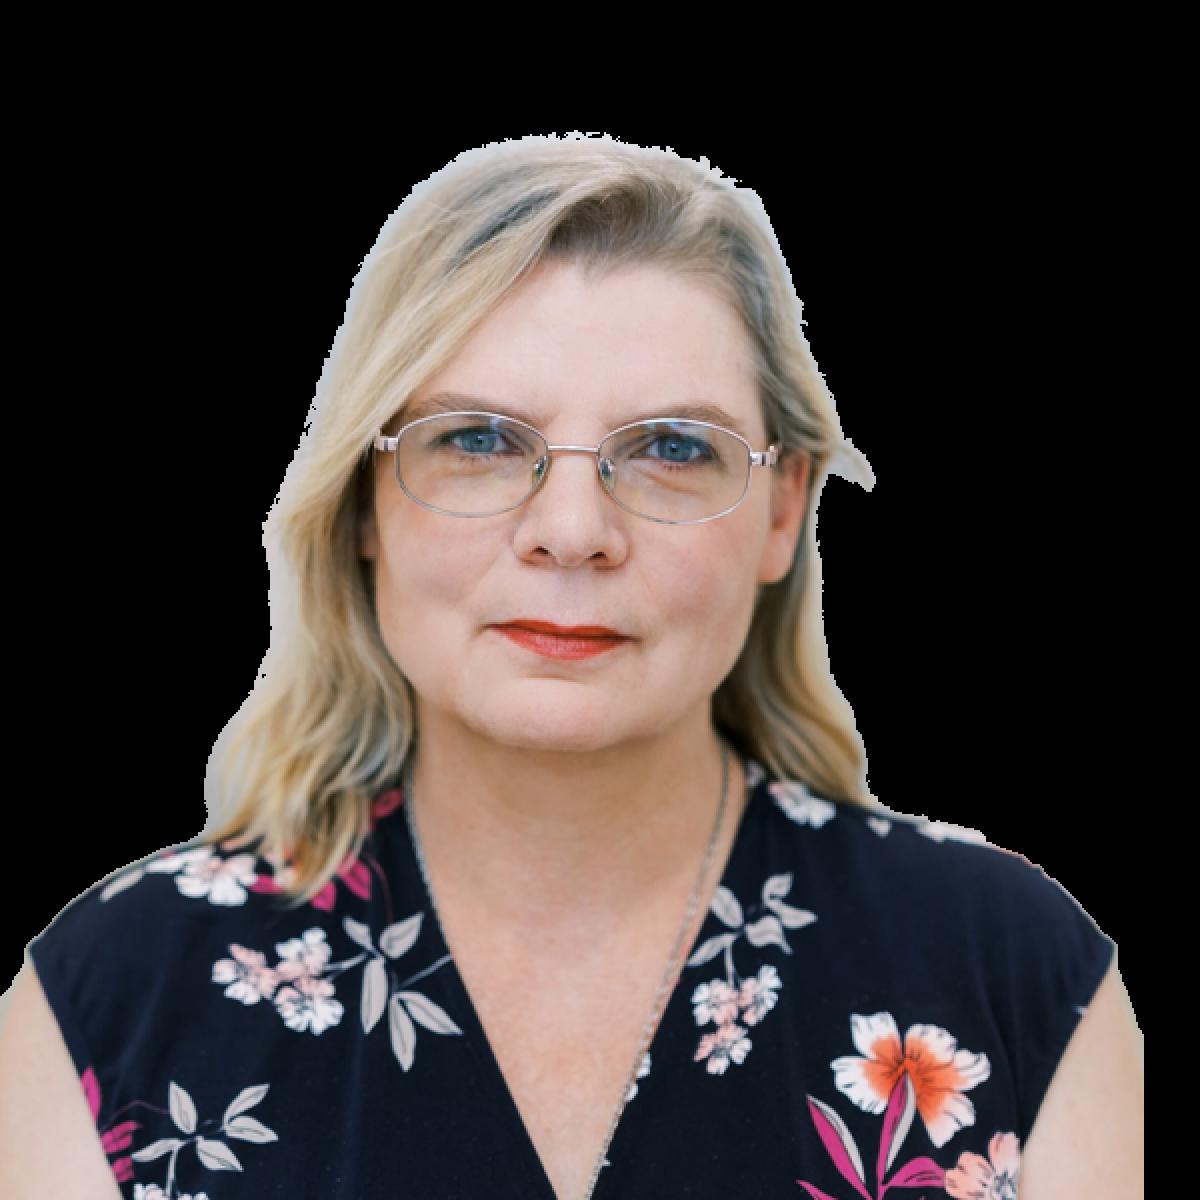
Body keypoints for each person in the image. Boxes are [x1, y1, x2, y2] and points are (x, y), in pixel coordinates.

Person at [0, 137, 1141, 1199]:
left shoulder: (1016, 976)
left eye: (674, 450)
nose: (572, 530)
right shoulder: (113, 995)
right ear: (362, 502)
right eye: (480, 439)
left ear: (784, 509)